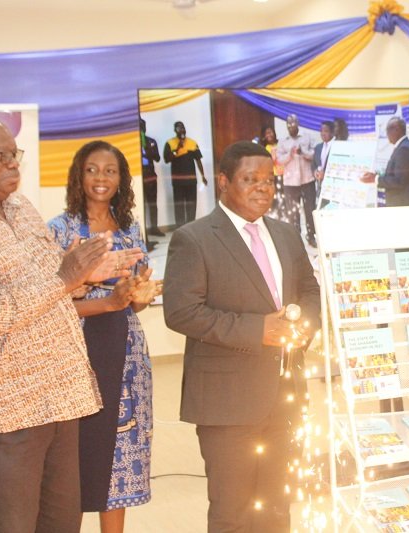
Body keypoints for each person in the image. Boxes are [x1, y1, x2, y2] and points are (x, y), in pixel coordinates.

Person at [0, 114, 142, 532]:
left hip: (60, 401)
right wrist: (65, 277)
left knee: (60, 525)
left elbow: (49, 286)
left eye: (14, 154)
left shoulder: (19, 207)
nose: (13, 164)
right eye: (0, 156)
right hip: (0, 415)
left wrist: (84, 276)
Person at [163, 141, 320, 532]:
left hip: (285, 394)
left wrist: (305, 330)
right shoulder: (194, 239)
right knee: (232, 511)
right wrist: (259, 330)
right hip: (227, 402)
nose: (263, 189)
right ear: (223, 182)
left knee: (276, 505)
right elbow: (181, 311)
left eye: (269, 181)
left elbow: (310, 291)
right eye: (250, 180)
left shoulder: (286, 234)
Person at [49, 141, 161, 533]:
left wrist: (140, 294)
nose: (101, 178)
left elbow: (133, 303)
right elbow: (48, 305)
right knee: (78, 458)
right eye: (92, 170)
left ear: (121, 179)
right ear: (79, 175)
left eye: (110, 171)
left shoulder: (129, 229)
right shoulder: (58, 230)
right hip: (75, 355)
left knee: (120, 453)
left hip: (127, 355)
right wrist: (110, 300)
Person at [276, 114, 317, 247]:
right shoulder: (283, 141)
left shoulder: (307, 137)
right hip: (290, 183)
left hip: (307, 180)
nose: (291, 126)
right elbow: (279, 160)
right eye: (289, 124)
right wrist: (291, 154)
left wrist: (303, 152)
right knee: (293, 212)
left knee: (310, 209)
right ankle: (295, 239)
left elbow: (314, 154)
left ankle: (311, 237)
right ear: (287, 125)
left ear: (298, 124)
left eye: (293, 123)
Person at [361, 116, 409, 207]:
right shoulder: (401, 146)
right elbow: (395, 174)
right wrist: (376, 175)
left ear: (397, 129)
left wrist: (375, 179)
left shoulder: (404, 149)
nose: (387, 134)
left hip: (403, 206)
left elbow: (398, 181)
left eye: (388, 130)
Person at [163, 121, 208, 227]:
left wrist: (203, 176)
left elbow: (198, 160)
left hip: (191, 180)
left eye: (183, 128)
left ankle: (191, 227)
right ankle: (180, 228)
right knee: (179, 206)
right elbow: (167, 159)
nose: (182, 130)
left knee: (191, 205)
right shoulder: (170, 143)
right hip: (178, 181)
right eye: (179, 128)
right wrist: (177, 149)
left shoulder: (192, 143)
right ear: (175, 131)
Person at [139, 118, 163, 237]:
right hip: (139, 177)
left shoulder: (151, 141)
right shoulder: (133, 143)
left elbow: (158, 158)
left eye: (143, 126)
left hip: (151, 175)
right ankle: (142, 231)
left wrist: (148, 149)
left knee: (152, 203)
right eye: (139, 126)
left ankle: (154, 228)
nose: (142, 128)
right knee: (140, 203)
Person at [260, 125, 284, 219]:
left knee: (285, 198)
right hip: (274, 176)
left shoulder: (281, 144)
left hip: (285, 175)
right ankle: (277, 216)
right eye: (266, 133)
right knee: (276, 198)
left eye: (270, 132)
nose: (269, 135)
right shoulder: (266, 147)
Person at [312, 120, 335, 194]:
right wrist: (315, 172)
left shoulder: (337, 146)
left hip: (333, 187)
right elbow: (313, 164)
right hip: (320, 186)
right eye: (321, 131)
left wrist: (326, 173)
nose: (323, 133)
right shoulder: (318, 147)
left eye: (326, 131)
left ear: (332, 132)